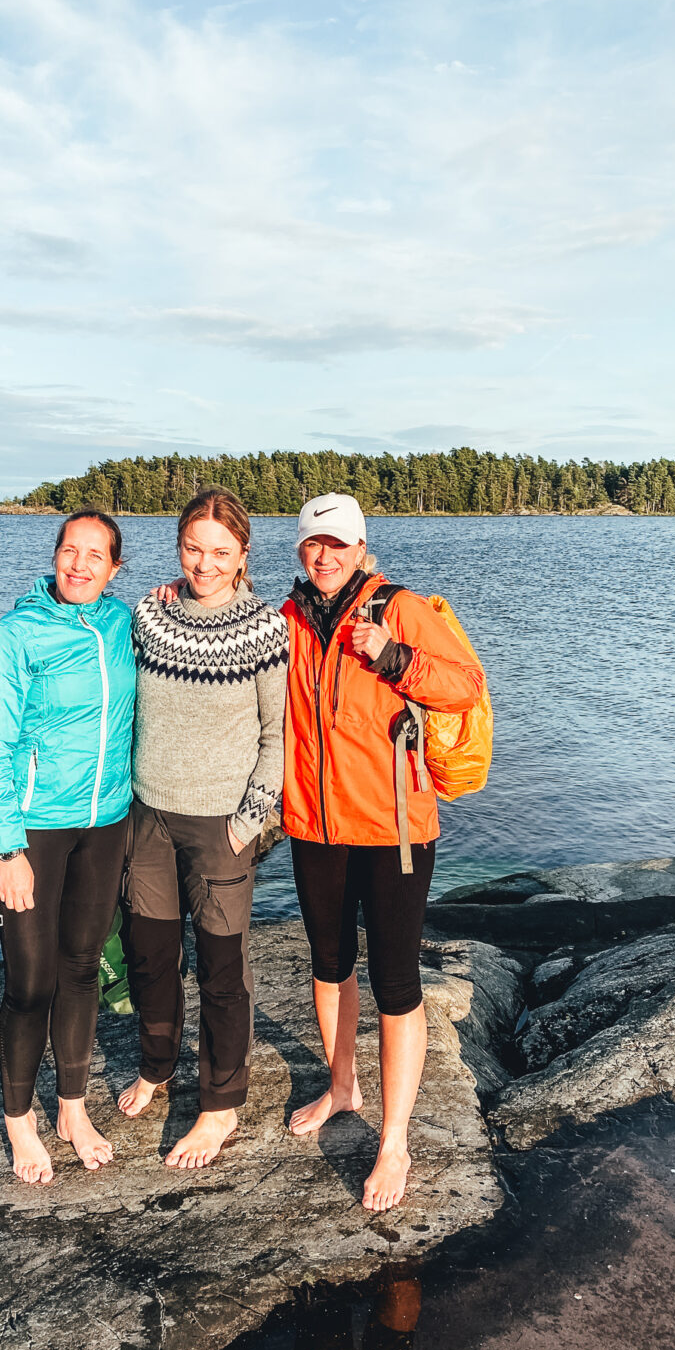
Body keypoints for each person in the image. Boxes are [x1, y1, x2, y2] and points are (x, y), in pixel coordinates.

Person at [282, 494, 485, 1212]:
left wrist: (394, 656)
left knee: (395, 982)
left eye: (339, 544)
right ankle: (342, 1086)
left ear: (362, 548)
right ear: (301, 550)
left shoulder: (395, 606)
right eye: (315, 544)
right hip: (314, 827)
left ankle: (393, 1139)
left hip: (395, 829)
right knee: (329, 964)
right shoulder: (289, 617)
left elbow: (466, 683)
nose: (326, 555)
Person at [118, 488, 288, 1168]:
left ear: (243, 554)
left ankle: (220, 1106)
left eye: (221, 551)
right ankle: (157, 1066)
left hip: (222, 825)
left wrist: (248, 823)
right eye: (194, 548)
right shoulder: (149, 615)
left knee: (223, 969)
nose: (205, 563)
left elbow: (278, 737)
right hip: (147, 817)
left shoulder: (262, 628)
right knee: (152, 958)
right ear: (178, 546)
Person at [0, 511, 136, 1185]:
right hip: (33, 827)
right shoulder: (16, 634)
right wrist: (7, 848)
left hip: (105, 822)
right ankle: (19, 1122)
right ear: (56, 556)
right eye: (71, 550)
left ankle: (71, 1107)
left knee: (82, 966)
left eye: (95, 555)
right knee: (31, 980)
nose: (80, 564)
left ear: (114, 568)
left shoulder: (124, 623)